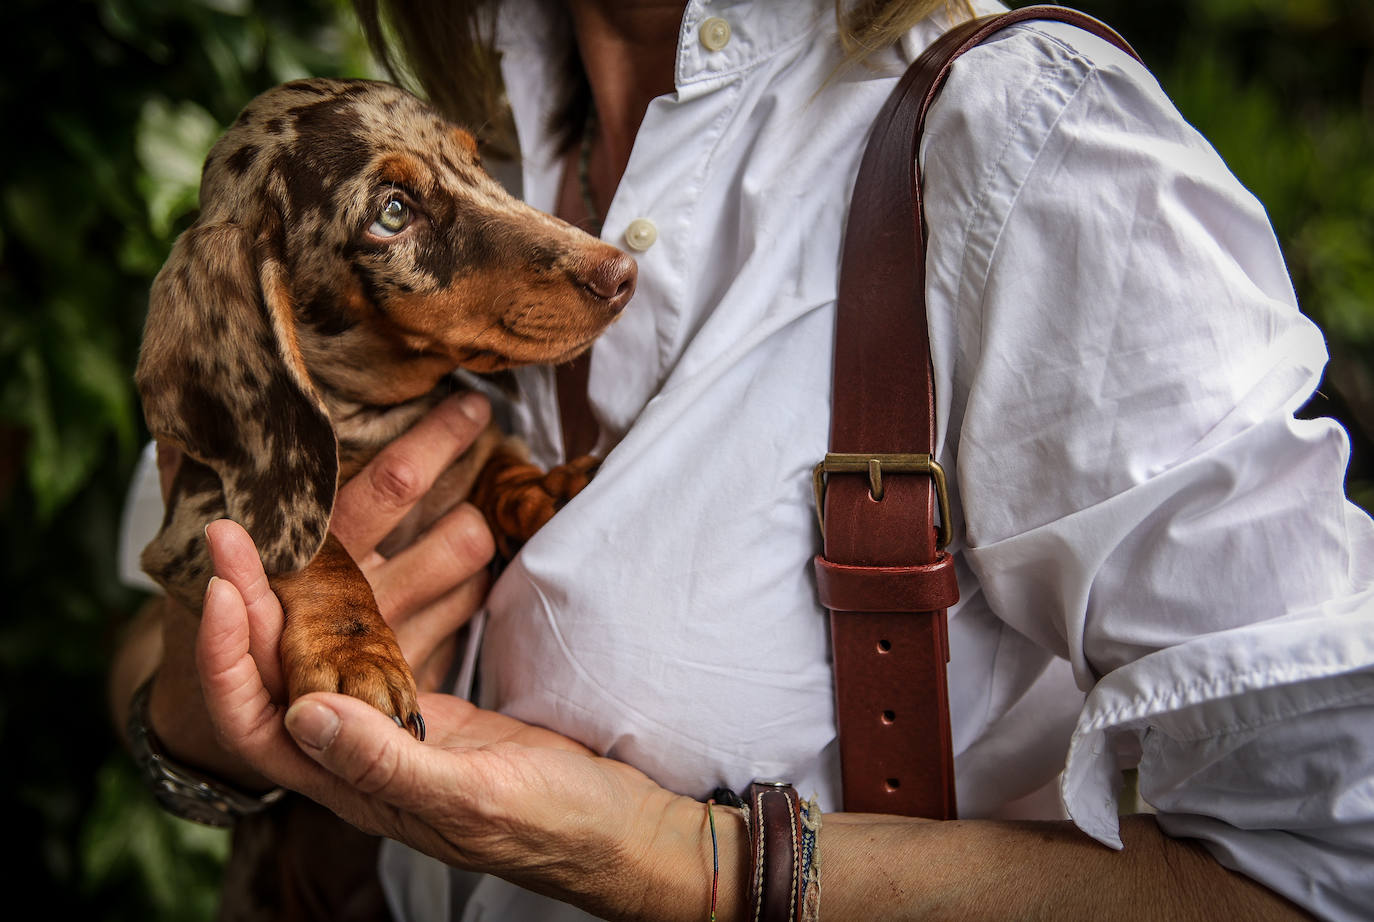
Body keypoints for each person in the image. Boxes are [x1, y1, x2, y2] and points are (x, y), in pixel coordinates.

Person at [112, 0, 1374, 919]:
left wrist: (699, 866)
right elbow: (159, 603)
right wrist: (201, 724)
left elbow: (1323, 874)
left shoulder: (1027, 144)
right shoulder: (435, 124)